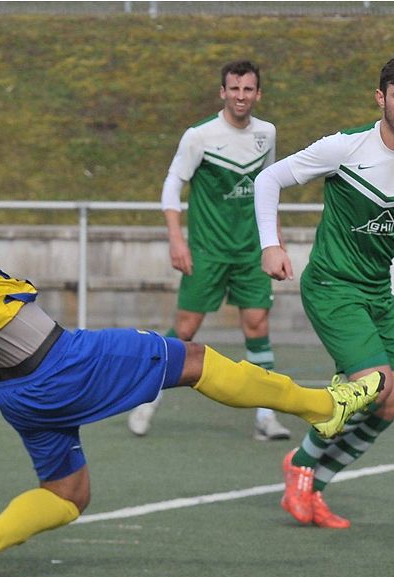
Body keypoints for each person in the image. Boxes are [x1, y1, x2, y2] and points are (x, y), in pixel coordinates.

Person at [0, 153, 384, 577]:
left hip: (14, 390)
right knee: (193, 360)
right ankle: (322, 408)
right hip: (56, 364)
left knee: (69, 494)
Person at [253, 57, 394, 528]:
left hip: (376, 293)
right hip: (330, 286)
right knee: (374, 381)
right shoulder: (345, 147)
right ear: (381, 98)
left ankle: (314, 488)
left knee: (391, 400)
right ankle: (301, 463)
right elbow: (268, 178)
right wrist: (270, 245)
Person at [128, 60, 290, 442]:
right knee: (185, 330)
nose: (241, 96)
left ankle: (265, 418)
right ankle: (146, 399)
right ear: (223, 92)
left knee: (258, 327)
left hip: (251, 252)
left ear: (258, 94)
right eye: (234, 89)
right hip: (207, 252)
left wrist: (274, 242)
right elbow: (172, 186)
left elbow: (268, 188)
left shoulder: (266, 134)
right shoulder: (199, 136)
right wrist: (176, 239)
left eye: (248, 89)